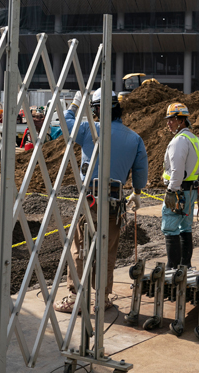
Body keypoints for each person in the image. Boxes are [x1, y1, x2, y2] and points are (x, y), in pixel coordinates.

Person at [55, 88, 148, 313]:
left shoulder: (89, 129)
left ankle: (75, 297)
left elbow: (63, 126)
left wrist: (75, 105)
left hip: (89, 201)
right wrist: (136, 191)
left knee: (79, 248)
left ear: (96, 109)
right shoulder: (134, 138)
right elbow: (140, 173)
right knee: (107, 250)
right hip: (114, 203)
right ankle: (102, 298)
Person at [162, 102, 199, 269]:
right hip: (191, 190)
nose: (168, 123)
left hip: (178, 191)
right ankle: (185, 266)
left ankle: (172, 268)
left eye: (171, 119)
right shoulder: (196, 140)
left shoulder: (179, 141)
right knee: (185, 227)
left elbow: (177, 170)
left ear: (181, 121)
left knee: (170, 227)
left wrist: (171, 191)